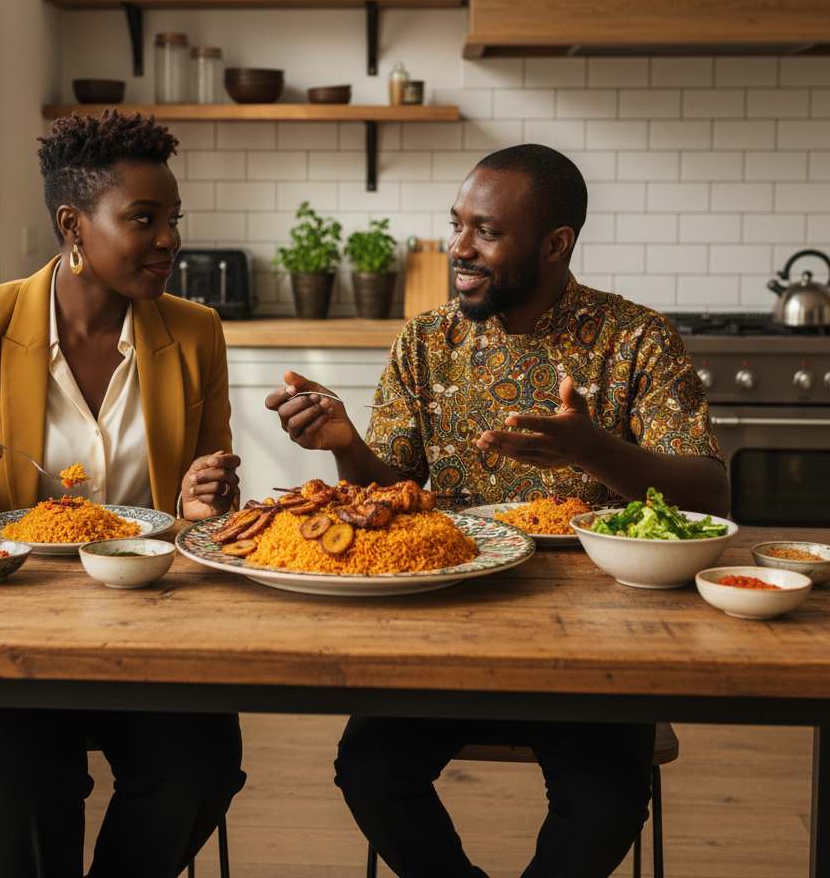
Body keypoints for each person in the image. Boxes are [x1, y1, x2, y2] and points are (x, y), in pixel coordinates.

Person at [265, 144, 730, 878]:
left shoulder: (637, 338)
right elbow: (391, 491)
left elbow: (710, 490)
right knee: (369, 770)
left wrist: (595, 450)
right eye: (457, 225)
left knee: (607, 798)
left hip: (598, 644)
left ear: (555, 245)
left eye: (485, 231)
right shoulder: (426, 342)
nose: (458, 247)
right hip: (444, 627)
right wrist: (345, 445)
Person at [0, 111, 245, 878]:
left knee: (200, 767)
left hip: (151, 622)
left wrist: (205, 505)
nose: (170, 238)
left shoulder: (196, 332)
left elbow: (210, 506)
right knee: (28, 778)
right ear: (74, 225)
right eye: (145, 218)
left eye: (173, 218)